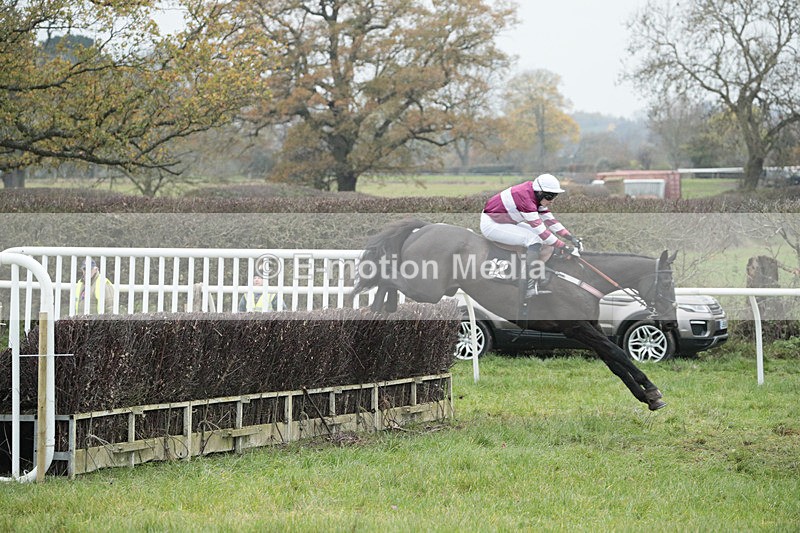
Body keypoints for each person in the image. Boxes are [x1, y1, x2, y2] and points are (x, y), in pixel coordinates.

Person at [481, 173, 581, 295]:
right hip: (492, 224)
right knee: (534, 240)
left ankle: (534, 273)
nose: (552, 201)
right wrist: (564, 247)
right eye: (550, 197)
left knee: (540, 240)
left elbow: (550, 220)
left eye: (555, 196)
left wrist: (571, 237)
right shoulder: (526, 200)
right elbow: (543, 232)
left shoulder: (535, 194)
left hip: (505, 220)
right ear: (540, 193)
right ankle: (528, 284)